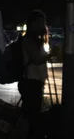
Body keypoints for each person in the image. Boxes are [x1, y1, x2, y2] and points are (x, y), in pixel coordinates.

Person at [19, 10, 51, 139]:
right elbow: (37, 59)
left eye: (43, 23)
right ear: (32, 24)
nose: (42, 26)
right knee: (32, 117)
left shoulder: (38, 40)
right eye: (39, 23)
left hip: (36, 82)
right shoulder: (28, 41)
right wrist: (52, 54)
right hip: (30, 82)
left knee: (33, 115)